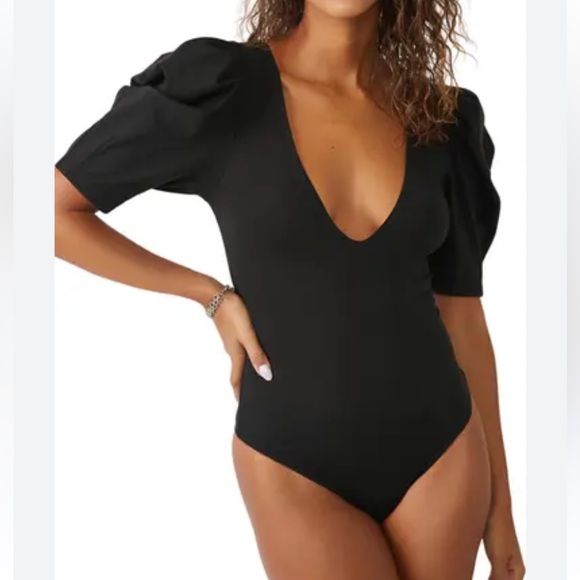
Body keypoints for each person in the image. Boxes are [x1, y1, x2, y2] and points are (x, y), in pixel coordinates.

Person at [54, 1, 525, 578]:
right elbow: (53, 213)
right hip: (295, 465)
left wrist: (503, 512)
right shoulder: (225, 89)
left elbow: (463, 318)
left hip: (442, 456)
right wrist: (208, 295)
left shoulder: (441, 119)